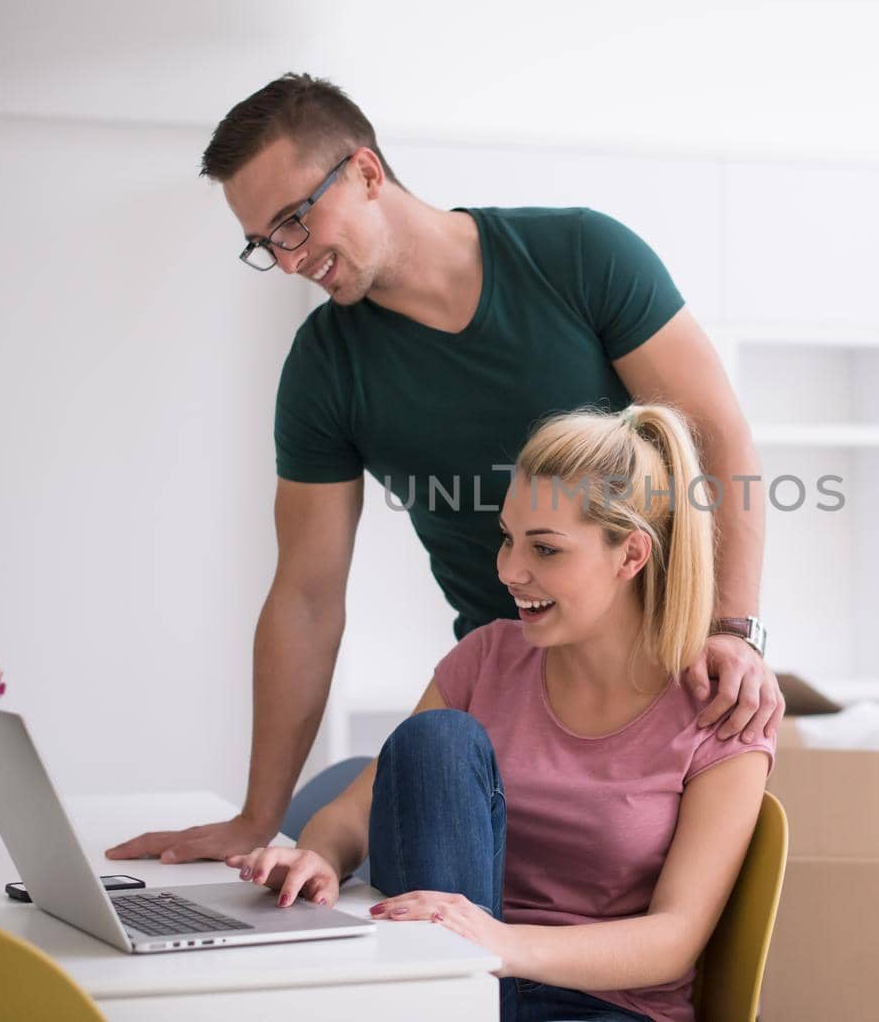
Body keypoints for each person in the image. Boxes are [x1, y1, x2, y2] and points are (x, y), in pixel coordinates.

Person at [108, 74, 781, 865]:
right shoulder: (327, 367)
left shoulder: (579, 258)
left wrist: (733, 634)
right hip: (501, 703)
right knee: (337, 837)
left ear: (364, 172)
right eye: (265, 243)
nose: (288, 259)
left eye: (295, 221)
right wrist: (259, 816)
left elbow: (720, 448)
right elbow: (306, 596)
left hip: (658, 692)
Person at [228, 404, 773, 1022]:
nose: (510, 571)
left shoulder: (722, 708)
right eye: (508, 539)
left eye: (545, 548)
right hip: (462, 990)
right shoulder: (486, 657)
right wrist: (318, 856)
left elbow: (672, 941)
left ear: (631, 556)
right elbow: (355, 811)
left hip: (600, 1006)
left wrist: (502, 944)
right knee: (437, 739)